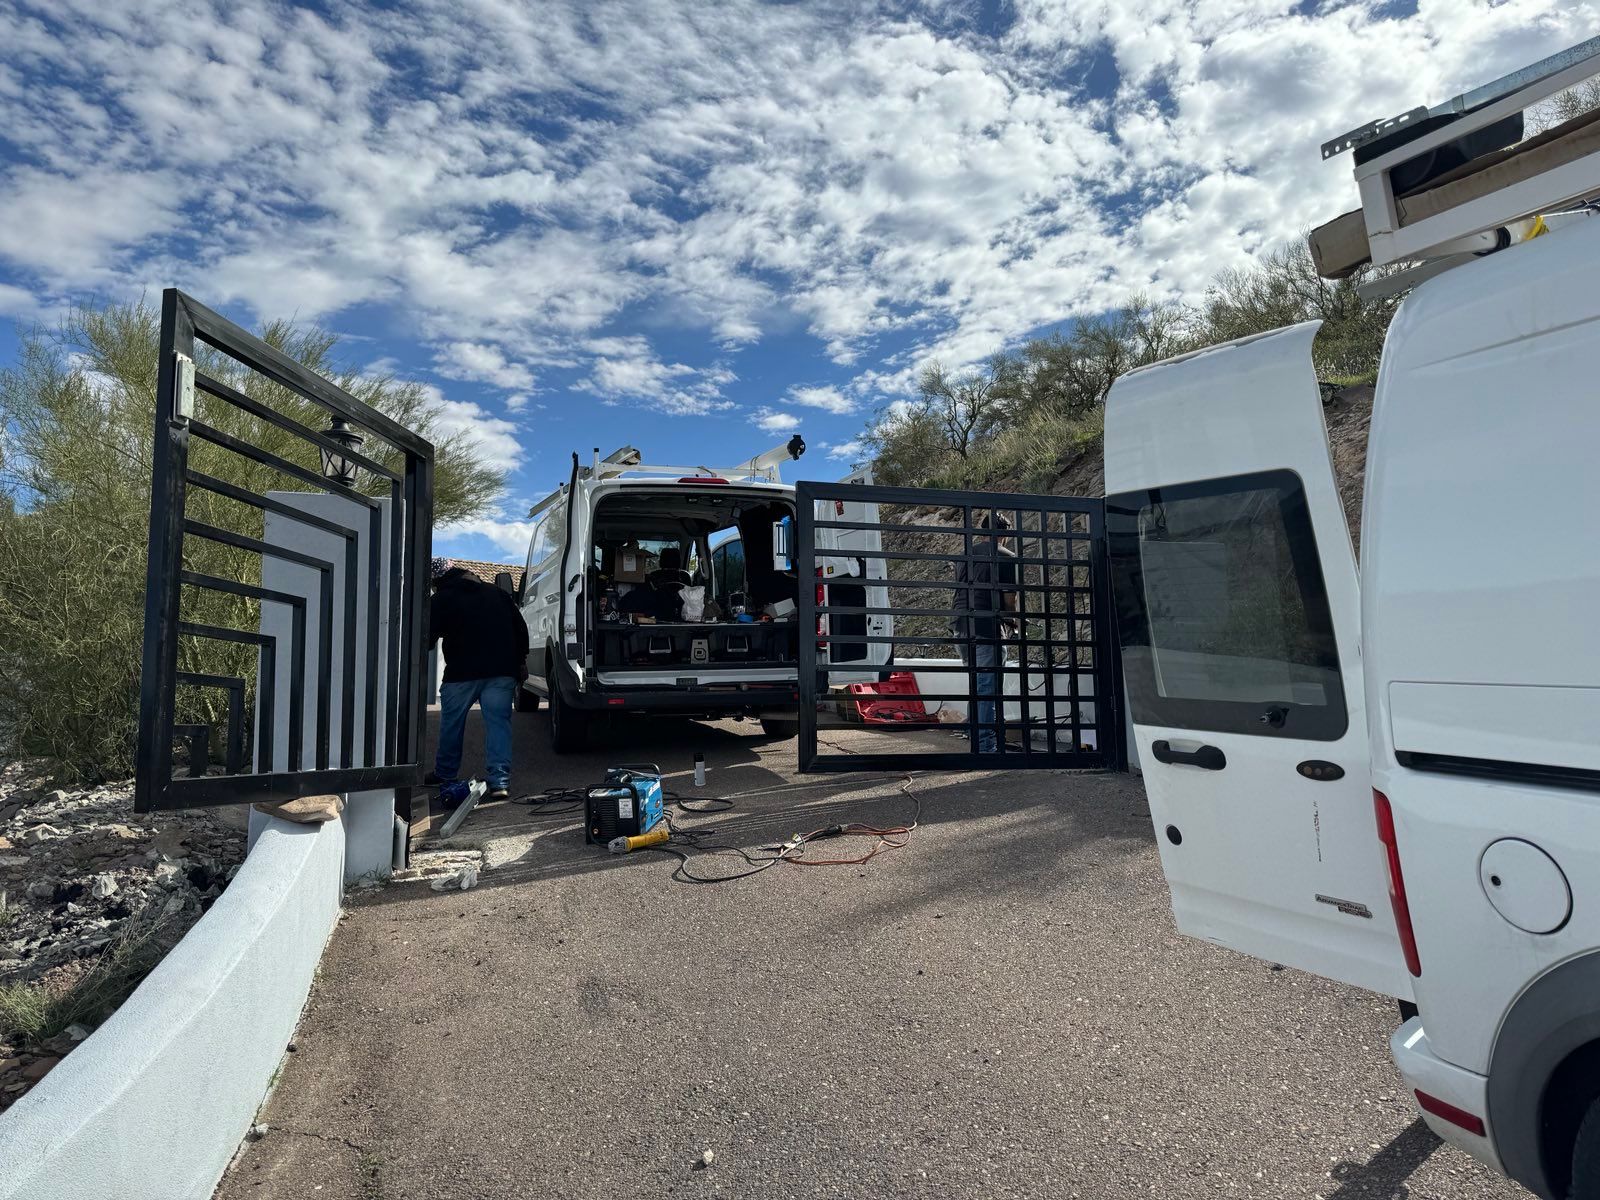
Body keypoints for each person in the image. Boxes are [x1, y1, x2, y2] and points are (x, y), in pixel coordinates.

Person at [427, 558, 530, 802]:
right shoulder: (498, 594)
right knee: (498, 725)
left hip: (461, 673)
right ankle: (499, 783)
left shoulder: (441, 599)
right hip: (501, 671)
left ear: (437, 580)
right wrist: (521, 660)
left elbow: (427, 636)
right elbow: (520, 628)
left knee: (452, 725)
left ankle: (445, 774)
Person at [951, 514, 1018, 754]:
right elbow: (1009, 600)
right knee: (987, 687)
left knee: (976, 682)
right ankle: (986, 745)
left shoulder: (962, 557)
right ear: (1005, 535)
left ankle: (974, 732)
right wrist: (1014, 624)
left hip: (960, 627)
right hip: (986, 628)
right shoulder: (1005, 557)